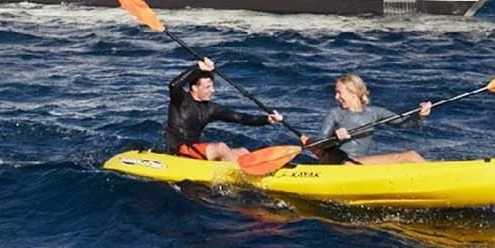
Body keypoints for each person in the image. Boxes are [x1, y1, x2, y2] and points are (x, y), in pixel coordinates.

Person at [165, 58, 283, 162]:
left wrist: (267, 119)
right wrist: (198, 67)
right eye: (207, 87)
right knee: (221, 148)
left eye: (212, 86)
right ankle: (243, 175)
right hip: (179, 151)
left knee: (242, 151)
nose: (212, 90)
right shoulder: (180, 100)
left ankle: (255, 169)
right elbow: (174, 85)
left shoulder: (210, 109)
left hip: (196, 150)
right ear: (194, 87)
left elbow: (239, 117)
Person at [301, 73, 431, 165]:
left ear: (353, 93)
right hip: (342, 164)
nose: (336, 97)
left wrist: (419, 115)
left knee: (412, 156)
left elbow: (403, 123)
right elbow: (320, 142)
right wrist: (335, 138)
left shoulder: (374, 113)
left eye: (339, 92)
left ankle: (438, 176)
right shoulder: (335, 113)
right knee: (409, 156)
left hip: (360, 163)